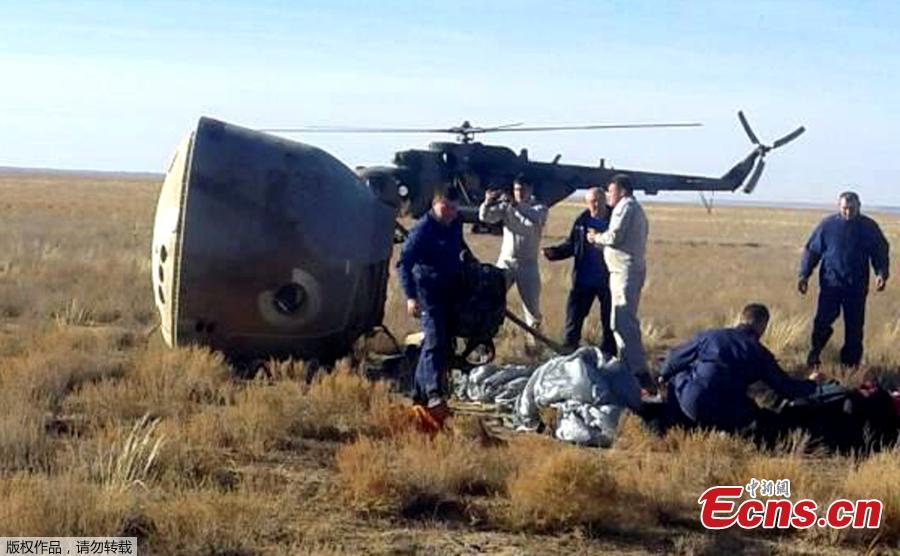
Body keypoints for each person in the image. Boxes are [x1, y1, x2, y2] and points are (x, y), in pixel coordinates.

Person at [657, 303, 821, 442]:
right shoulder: (760, 353)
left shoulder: (711, 336)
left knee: (680, 374)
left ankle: (671, 428)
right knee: (754, 415)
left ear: (741, 319)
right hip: (727, 412)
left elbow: (673, 358)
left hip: (692, 403)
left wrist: (661, 376)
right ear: (762, 326)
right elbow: (786, 387)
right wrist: (812, 384)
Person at [396, 188, 469, 422]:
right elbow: (403, 264)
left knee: (436, 341)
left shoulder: (455, 222)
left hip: (450, 290)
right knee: (435, 340)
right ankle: (434, 393)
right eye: (445, 208)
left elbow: (461, 247)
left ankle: (418, 395)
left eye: (454, 208)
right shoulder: (422, 230)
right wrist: (410, 296)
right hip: (428, 292)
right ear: (435, 205)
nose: (450, 213)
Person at [799, 191, 890, 368]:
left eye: (852, 209)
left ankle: (850, 366)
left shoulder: (869, 227)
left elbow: (880, 251)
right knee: (822, 322)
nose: (848, 212)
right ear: (839, 207)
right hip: (831, 284)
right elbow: (812, 251)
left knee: (854, 329)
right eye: (845, 208)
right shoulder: (828, 226)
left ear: (859, 207)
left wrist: (881, 273)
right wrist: (804, 275)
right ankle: (815, 354)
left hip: (856, 286)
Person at [586, 174, 651, 388]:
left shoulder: (625, 207)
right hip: (622, 271)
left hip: (625, 272)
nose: (608, 196)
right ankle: (628, 368)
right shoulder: (633, 208)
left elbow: (615, 237)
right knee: (619, 322)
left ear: (622, 191)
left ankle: (637, 371)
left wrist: (596, 237)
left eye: (610, 191)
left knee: (624, 322)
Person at [542, 186, 617, 356]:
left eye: (598, 201)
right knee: (573, 319)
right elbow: (572, 245)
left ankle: (609, 357)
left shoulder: (616, 220)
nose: (595, 205)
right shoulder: (582, 221)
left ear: (605, 200)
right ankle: (568, 353)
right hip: (583, 279)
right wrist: (555, 252)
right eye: (591, 202)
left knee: (610, 322)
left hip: (609, 280)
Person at [478, 174, 548, 334]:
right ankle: (485, 335)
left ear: (531, 190)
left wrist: (515, 204)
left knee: (532, 309)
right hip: (506, 263)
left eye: (523, 189)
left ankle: (534, 342)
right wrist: (488, 202)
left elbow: (535, 218)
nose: (519, 193)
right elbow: (485, 217)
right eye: (516, 189)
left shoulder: (540, 208)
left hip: (528, 265)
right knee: (492, 300)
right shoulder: (507, 207)